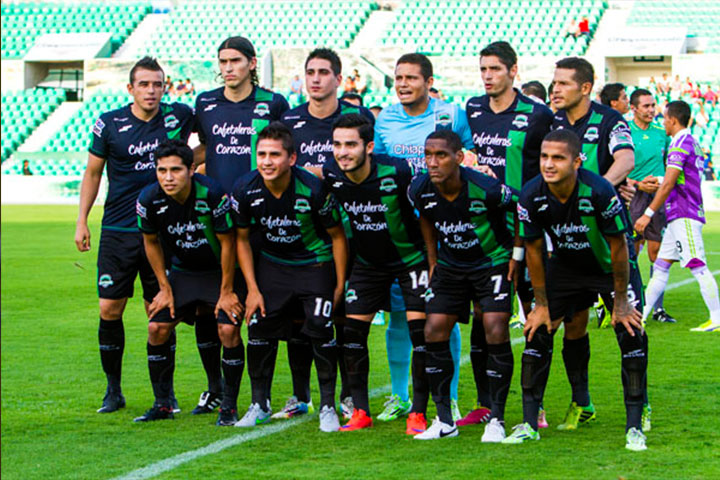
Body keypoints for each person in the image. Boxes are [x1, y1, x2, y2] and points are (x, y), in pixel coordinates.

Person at [505, 129, 648, 452]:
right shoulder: (532, 194)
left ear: (577, 161)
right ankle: (529, 424)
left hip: (608, 267)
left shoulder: (599, 190)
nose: (548, 164)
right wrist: (541, 305)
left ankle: (635, 427)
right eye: (544, 157)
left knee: (631, 333)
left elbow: (618, 247)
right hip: (566, 267)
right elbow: (534, 250)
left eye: (558, 158)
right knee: (537, 331)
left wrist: (621, 302)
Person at [74, 56, 194, 414]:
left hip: (162, 232)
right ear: (131, 88)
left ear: (165, 87)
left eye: (158, 84)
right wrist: (82, 220)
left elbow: (208, 144)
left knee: (159, 314)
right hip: (118, 230)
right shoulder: (109, 123)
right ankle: (113, 391)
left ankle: (165, 394)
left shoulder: (179, 117)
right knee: (109, 308)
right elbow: (93, 173)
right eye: (144, 84)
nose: (151, 91)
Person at [373, 52, 474, 423]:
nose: (403, 84)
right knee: (400, 315)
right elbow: (380, 171)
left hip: (445, 229)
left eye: (411, 78)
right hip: (401, 233)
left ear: (429, 82)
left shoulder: (451, 114)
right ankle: (400, 396)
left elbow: (469, 159)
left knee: (444, 314)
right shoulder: (385, 120)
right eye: (398, 78)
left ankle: (450, 398)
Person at [231, 122, 348, 431]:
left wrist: (338, 284)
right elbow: (241, 240)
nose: (267, 161)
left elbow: (337, 236)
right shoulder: (244, 189)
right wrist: (252, 289)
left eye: (274, 155)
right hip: (274, 266)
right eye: (261, 154)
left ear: (292, 158)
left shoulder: (313, 188)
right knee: (258, 328)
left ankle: (327, 406)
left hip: (314, 265)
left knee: (320, 328)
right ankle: (260, 404)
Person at [278, 48, 374, 420]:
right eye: (310, 72)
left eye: (323, 72)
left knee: (345, 314)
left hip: (349, 228)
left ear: (338, 78)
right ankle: (300, 395)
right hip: (304, 232)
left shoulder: (356, 118)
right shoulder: (289, 119)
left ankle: (348, 395)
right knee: (299, 317)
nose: (316, 79)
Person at [321, 113, 430, 434]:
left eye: (350, 145)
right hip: (368, 265)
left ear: (369, 147)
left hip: (410, 260)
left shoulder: (398, 171)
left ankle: (418, 412)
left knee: (420, 335)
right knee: (352, 335)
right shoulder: (332, 172)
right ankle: (361, 411)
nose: (343, 152)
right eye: (337, 145)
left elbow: (429, 199)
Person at [463, 41, 553, 428]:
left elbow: (552, 164)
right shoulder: (472, 109)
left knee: (536, 314)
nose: (487, 76)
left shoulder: (538, 114)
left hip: (528, 230)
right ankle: (485, 402)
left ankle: (537, 404)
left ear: (513, 71)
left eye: (495, 69)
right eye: (483, 69)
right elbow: (465, 154)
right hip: (485, 231)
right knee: (484, 315)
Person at [409, 130, 518, 440]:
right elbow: (425, 219)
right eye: (428, 155)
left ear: (459, 158)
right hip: (450, 267)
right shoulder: (419, 188)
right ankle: (444, 420)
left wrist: (517, 255)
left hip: (492, 263)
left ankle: (496, 419)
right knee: (433, 329)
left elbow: (522, 209)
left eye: (441, 155)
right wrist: (432, 260)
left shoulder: (487, 188)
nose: (432, 162)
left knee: (495, 328)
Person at [550, 56, 637, 430]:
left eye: (563, 83)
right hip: (567, 243)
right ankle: (581, 402)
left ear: (585, 87)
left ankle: (640, 406)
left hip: (607, 238)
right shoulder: (551, 122)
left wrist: (596, 190)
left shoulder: (609, 120)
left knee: (628, 323)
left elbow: (626, 160)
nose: (555, 89)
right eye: (554, 82)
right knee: (573, 325)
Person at [134, 140, 245, 424]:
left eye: (175, 170)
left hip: (220, 272)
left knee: (228, 330)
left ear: (191, 169)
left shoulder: (212, 194)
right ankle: (162, 404)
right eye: (162, 171)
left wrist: (227, 291)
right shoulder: (148, 199)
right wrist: (164, 288)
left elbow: (228, 242)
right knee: (157, 327)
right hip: (184, 272)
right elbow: (150, 242)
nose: (168, 177)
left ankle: (228, 406)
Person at [635, 101, 720, 333]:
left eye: (664, 118)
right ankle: (641, 316)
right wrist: (659, 179)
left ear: (672, 120)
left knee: (697, 265)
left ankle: (717, 319)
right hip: (678, 214)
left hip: (684, 213)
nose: (662, 122)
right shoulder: (690, 142)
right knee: (661, 266)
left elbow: (671, 182)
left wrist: (647, 214)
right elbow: (679, 177)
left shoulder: (680, 143)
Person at [194, 36, 290, 194]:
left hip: (260, 198)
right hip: (218, 199)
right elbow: (207, 146)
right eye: (223, 62)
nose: (228, 68)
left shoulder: (274, 103)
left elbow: (287, 151)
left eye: (235, 61)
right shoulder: (204, 102)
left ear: (252, 63)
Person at [624, 88, 675, 323]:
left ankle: (657, 308)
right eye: (646, 106)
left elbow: (670, 165)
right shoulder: (625, 132)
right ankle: (629, 302)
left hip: (657, 199)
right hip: (633, 196)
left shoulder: (662, 133)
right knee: (630, 251)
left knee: (658, 253)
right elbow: (618, 168)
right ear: (633, 108)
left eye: (653, 105)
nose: (651, 110)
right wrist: (638, 184)